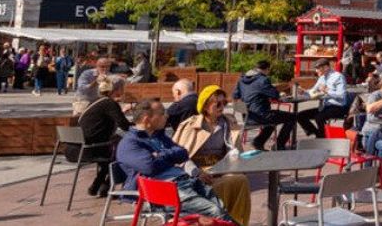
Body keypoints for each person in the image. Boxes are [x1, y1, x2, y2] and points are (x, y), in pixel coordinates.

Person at [116, 99, 235, 225]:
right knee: (214, 211)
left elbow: (183, 153)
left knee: (221, 207)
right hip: (160, 193)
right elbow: (149, 167)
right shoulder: (130, 143)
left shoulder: (159, 136)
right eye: (162, 113)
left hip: (185, 182)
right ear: (147, 119)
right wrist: (169, 156)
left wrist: (160, 155)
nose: (166, 115)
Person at [175, 86, 252, 226]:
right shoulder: (191, 125)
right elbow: (179, 156)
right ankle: (219, 219)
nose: (222, 107)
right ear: (205, 106)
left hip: (220, 168)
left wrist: (237, 160)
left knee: (241, 179)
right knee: (224, 184)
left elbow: (234, 149)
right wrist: (197, 173)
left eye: (224, 103)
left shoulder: (227, 123)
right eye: (218, 104)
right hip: (197, 172)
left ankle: (236, 222)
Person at [72, 76, 131, 197]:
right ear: (117, 89)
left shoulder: (97, 101)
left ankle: (99, 186)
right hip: (91, 149)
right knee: (122, 151)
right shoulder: (110, 103)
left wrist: (121, 112)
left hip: (75, 148)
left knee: (115, 145)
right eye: (123, 87)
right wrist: (142, 125)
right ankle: (107, 188)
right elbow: (125, 126)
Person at [233, 60, 294, 151]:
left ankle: (258, 142)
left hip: (248, 117)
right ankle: (279, 145)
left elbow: (235, 96)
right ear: (267, 69)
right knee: (292, 117)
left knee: (272, 120)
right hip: (261, 116)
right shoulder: (263, 79)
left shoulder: (241, 79)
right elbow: (275, 95)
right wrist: (280, 92)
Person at [297, 59, 349, 137]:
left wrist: (327, 91)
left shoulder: (338, 76)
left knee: (319, 117)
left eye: (318, 68)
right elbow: (313, 91)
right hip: (325, 107)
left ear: (326, 67)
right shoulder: (322, 78)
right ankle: (317, 133)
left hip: (338, 107)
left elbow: (341, 95)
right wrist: (303, 92)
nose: (316, 70)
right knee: (300, 115)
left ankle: (321, 137)